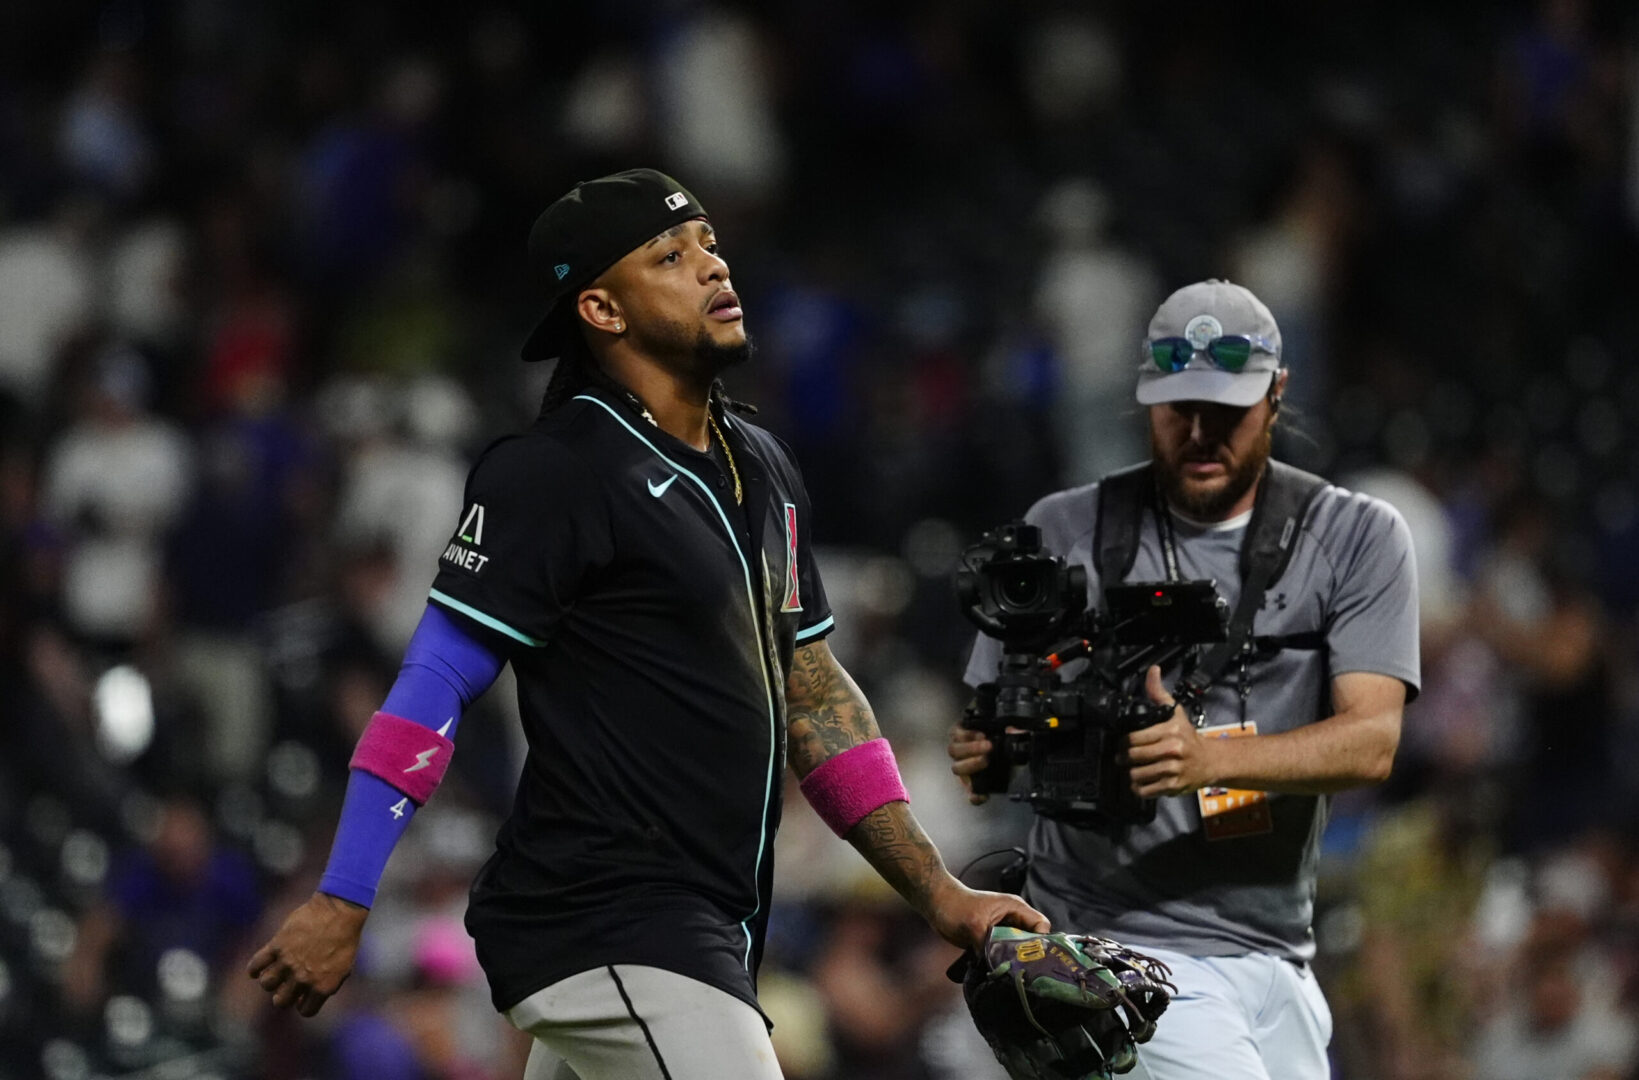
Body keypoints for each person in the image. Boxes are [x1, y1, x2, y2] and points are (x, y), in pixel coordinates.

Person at [248, 168, 1046, 1080]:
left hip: (703, 923)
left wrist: (940, 893)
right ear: (601, 308)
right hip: (608, 918)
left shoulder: (764, 465)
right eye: (670, 256)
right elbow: (434, 679)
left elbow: (814, 692)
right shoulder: (558, 471)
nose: (711, 266)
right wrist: (344, 895)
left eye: (709, 243)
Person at [950, 279, 1420, 1080]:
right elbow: (995, 730)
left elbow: (1372, 742)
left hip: (1277, 954)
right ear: (1143, 399)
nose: (1200, 432)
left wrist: (1208, 760)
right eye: (1177, 408)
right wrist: (992, 748)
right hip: (1120, 953)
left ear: (1276, 393)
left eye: (1225, 408)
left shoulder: (1355, 536)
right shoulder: (1064, 528)